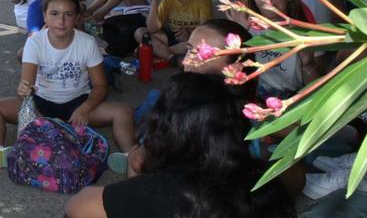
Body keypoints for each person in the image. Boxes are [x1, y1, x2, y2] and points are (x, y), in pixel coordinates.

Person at [65, 73, 295, 218]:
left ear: (169, 126)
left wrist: (136, 174)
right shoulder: (267, 184)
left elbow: (78, 206)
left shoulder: (164, 191)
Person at [0, 0, 135, 173]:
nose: (61, 21)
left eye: (68, 14)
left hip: (78, 106)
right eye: (54, 14)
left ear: (77, 18)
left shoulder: (87, 43)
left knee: (123, 111)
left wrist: (85, 108)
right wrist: (23, 90)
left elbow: (100, 86)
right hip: (41, 105)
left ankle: (130, 155)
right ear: (44, 16)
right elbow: (26, 86)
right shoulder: (35, 43)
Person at [246, 0, 319, 100]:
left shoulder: (305, 34)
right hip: (256, 101)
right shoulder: (247, 31)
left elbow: (317, 90)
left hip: (293, 100)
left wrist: (308, 62)